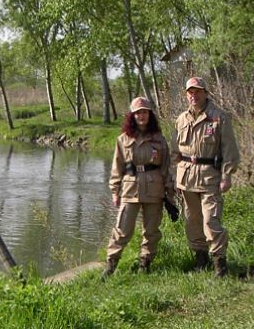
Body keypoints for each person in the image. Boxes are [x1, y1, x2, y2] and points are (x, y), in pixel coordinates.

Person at [171, 76, 240, 277]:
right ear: (186, 95)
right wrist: (174, 177)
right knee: (192, 221)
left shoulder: (219, 117)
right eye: (190, 92)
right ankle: (200, 259)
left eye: (198, 91)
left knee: (211, 221)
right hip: (186, 178)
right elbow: (175, 152)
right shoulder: (181, 119)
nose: (194, 95)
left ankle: (220, 264)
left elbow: (230, 150)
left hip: (210, 178)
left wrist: (227, 175)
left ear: (205, 93)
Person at [102, 96, 174, 280]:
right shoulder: (123, 139)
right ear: (132, 116)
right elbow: (116, 167)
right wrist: (114, 191)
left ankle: (145, 263)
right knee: (122, 229)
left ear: (150, 114)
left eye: (144, 112)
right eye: (137, 113)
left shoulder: (159, 139)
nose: (141, 116)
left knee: (151, 230)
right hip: (130, 189)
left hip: (154, 189)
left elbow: (166, 166)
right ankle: (111, 265)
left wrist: (169, 191)